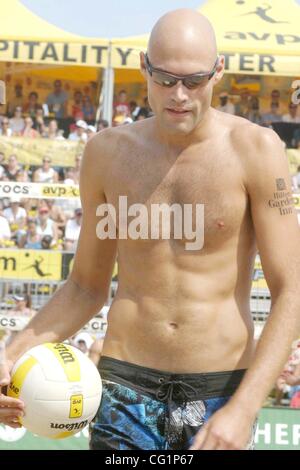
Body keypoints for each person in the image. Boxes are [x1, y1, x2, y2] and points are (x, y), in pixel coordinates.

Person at [0, 9, 300, 451]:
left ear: (218, 72)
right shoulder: (106, 153)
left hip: (220, 390)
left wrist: (246, 406)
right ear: (143, 66)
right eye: (164, 79)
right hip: (125, 390)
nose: (179, 95)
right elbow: (85, 286)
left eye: (193, 81)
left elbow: (292, 288)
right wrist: (10, 354)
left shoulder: (256, 150)